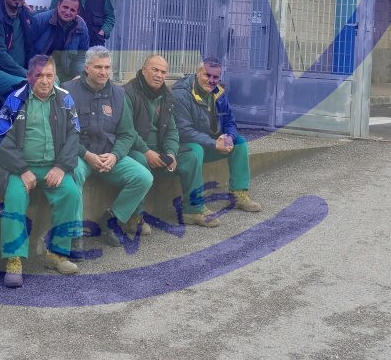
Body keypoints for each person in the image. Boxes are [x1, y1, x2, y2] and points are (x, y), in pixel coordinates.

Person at [0, 55, 85, 287]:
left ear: (55, 76)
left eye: (49, 75)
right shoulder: (14, 100)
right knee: (15, 197)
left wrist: (61, 167)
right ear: (29, 76)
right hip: (20, 167)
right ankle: (14, 259)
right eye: (39, 75)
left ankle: (56, 254)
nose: (45, 80)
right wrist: (21, 169)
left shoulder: (65, 98)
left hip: (53, 166)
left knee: (71, 193)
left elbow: (74, 135)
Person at [63, 46, 153, 247]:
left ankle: (112, 220)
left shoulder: (119, 94)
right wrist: (87, 155)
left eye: (107, 67)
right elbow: (64, 132)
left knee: (143, 177)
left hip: (108, 156)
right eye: (98, 67)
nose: (103, 72)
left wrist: (115, 155)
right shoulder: (68, 90)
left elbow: (127, 133)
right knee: (73, 173)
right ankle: (74, 235)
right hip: (81, 155)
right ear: (87, 68)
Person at [123, 54, 218, 228]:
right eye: (155, 70)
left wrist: (171, 153)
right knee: (139, 161)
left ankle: (193, 210)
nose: (159, 75)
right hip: (136, 150)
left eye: (163, 72)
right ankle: (134, 217)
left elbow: (172, 130)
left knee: (191, 155)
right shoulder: (127, 93)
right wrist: (147, 152)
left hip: (160, 149)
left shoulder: (166, 94)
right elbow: (127, 131)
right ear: (143, 70)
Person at [172, 58, 261, 215]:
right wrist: (214, 143)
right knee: (196, 151)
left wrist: (229, 138)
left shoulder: (218, 92)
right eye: (207, 75)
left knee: (239, 143)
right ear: (197, 73)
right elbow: (183, 131)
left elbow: (230, 121)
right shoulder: (180, 94)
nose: (211, 80)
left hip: (209, 143)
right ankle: (194, 208)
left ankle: (238, 194)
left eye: (215, 77)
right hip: (184, 146)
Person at [30, 0, 89, 81]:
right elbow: (27, 50)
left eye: (72, 10)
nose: (68, 12)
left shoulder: (81, 27)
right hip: (39, 71)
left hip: (65, 74)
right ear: (58, 5)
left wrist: (79, 77)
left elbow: (81, 57)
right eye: (65, 7)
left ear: (77, 12)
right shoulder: (39, 20)